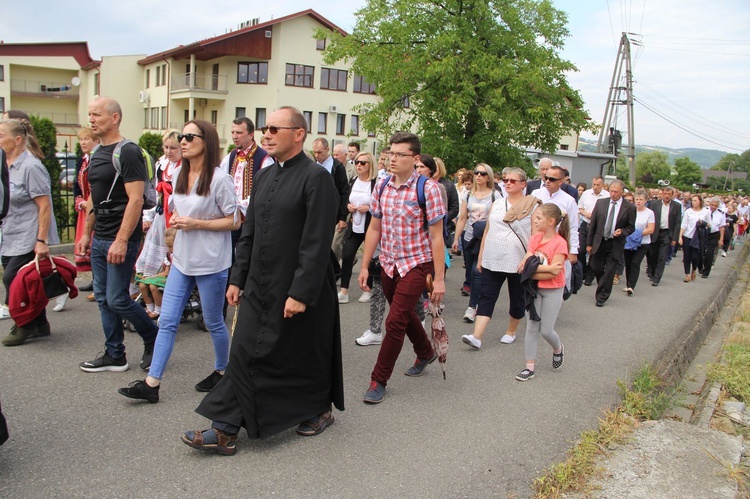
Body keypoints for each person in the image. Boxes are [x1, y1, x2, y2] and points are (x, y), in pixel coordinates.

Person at [181, 107, 343, 455]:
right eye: (264, 129)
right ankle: (224, 429)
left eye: (273, 128)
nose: (265, 134)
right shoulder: (266, 176)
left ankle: (319, 409)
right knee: (244, 351)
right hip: (259, 283)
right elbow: (249, 232)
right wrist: (237, 278)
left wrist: (300, 291)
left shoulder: (316, 178)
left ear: (297, 134)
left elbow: (316, 240)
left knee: (304, 352)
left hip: (300, 284)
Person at [118, 120, 240, 403]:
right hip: (182, 261)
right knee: (168, 320)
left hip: (211, 262)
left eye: (189, 136)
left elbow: (235, 221)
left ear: (205, 141)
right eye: (181, 136)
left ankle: (223, 371)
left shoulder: (219, 179)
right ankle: (152, 384)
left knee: (213, 322)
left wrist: (197, 223)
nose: (182, 141)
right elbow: (174, 216)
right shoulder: (180, 175)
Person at [357, 132, 446, 405]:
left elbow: (436, 237)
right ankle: (424, 351)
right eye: (390, 153)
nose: (392, 158)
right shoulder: (382, 185)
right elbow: (374, 227)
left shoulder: (428, 189)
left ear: (415, 158)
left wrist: (439, 280)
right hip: (388, 264)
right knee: (404, 314)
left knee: (394, 321)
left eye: (400, 154)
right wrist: (364, 265)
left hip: (417, 265)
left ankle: (378, 380)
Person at [76, 97, 158, 372]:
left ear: (114, 118)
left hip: (121, 237)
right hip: (100, 237)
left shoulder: (129, 152)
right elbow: (93, 200)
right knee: (102, 297)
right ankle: (115, 354)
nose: (91, 119)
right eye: (89, 114)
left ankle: (152, 336)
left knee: (117, 298)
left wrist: (122, 240)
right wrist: (87, 234)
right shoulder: (97, 152)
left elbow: (135, 200)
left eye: (97, 114)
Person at [461, 167, 538, 348]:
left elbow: (536, 234)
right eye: (506, 180)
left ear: (523, 184)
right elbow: (487, 230)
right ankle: (477, 336)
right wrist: (481, 257)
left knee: (517, 298)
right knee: (486, 296)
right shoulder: (497, 203)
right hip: (492, 258)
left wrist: (529, 255)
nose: (508, 183)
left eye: (513, 180)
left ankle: (511, 331)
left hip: (517, 260)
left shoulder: (533, 205)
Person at [0, 118, 60, 345]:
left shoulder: (31, 167)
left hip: (29, 233)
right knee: (28, 281)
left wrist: (41, 240)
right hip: (10, 232)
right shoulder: (3, 163)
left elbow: (44, 206)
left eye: (1, 136)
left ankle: (23, 324)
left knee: (13, 279)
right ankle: (41, 324)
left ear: (17, 140)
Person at [515, 203, 567, 381]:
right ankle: (529, 367)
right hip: (534, 289)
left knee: (546, 330)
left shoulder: (560, 243)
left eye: (538, 218)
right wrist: (541, 268)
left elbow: (555, 272)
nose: (534, 221)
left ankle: (558, 348)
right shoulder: (535, 239)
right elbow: (524, 265)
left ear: (551, 221)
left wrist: (532, 270)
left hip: (553, 290)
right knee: (531, 327)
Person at [134, 129, 181, 305]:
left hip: (175, 215)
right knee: (152, 249)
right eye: (166, 147)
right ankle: (149, 292)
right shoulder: (162, 164)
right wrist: (148, 215)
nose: (169, 151)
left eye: (173, 148)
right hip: (162, 214)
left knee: (170, 247)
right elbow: (154, 192)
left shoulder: (184, 167)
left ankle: (165, 290)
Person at [452, 163, 497, 322]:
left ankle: (473, 306)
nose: (479, 176)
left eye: (483, 174)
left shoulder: (494, 196)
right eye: (477, 173)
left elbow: (494, 220)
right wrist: (456, 238)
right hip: (468, 237)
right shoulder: (468, 195)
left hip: (484, 238)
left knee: (477, 272)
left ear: (488, 177)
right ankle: (477, 298)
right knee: (471, 272)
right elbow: (462, 217)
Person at [585, 180, 636, 307]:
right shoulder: (601, 203)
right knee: (595, 266)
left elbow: (631, 227)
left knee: (609, 271)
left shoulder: (629, 207)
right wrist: (589, 243)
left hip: (615, 243)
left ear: (622, 192)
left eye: (616, 192)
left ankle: (602, 296)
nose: (613, 194)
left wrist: (622, 231)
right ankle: (603, 283)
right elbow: (593, 225)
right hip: (600, 240)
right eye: (611, 191)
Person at [338, 151, 377, 304]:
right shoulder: (353, 180)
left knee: (369, 259)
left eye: (363, 163)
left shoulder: (376, 183)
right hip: (355, 224)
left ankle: (368, 289)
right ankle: (344, 291)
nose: (359, 165)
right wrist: (348, 207)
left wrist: (369, 208)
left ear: (370, 165)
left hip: (370, 225)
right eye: (357, 162)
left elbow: (381, 204)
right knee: (347, 255)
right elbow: (347, 198)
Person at [66, 127, 100, 305]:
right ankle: (95, 280)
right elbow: (76, 187)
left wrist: (91, 203)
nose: (84, 143)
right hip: (86, 208)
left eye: (87, 139)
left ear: (96, 140)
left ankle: (100, 283)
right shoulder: (82, 161)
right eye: (81, 140)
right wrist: (81, 202)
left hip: (96, 209)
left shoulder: (99, 159)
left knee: (96, 245)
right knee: (87, 245)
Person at [531, 165, 580, 269]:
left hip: (557, 245)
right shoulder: (536, 194)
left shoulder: (568, 200)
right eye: (546, 178)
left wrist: (573, 251)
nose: (547, 181)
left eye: (552, 179)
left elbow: (573, 227)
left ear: (561, 181)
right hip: (536, 242)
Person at [313, 138, 350, 262]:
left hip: (332, 212)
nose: (317, 155)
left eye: (320, 152)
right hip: (316, 211)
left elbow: (344, 192)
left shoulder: (337, 167)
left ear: (327, 149)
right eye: (315, 152)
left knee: (332, 244)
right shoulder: (312, 166)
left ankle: (333, 269)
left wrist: (343, 217)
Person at [645, 186, 682, 286]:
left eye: (669, 194)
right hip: (655, 232)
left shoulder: (676, 206)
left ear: (672, 195)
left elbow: (678, 223)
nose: (667, 196)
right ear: (662, 193)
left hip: (667, 233)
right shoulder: (654, 204)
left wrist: (675, 238)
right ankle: (652, 272)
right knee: (652, 254)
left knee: (662, 256)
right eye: (665, 193)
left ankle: (657, 278)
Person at [136, 228, 176, 320]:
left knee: (153, 287)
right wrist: (151, 277)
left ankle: (158, 310)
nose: (169, 249)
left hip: (173, 279)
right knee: (142, 284)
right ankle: (150, 308)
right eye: (168, 246)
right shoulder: (169, 255)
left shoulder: (180, 256)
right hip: (167, 276)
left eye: (171, 246)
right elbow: (166, 272)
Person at [578, 176, 610, 286]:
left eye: (598, 185)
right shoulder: (586, 193)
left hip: (598, 227)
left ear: (602, 185)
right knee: (581, 250)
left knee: (594, 251)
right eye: (594, 185)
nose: (595, 187)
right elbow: (580, 208)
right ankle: (583, 271)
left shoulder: (607, 196)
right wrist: (585, 213)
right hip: (586, 224)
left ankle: (590, 276)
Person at [622, 190, 655, 295]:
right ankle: (628, 283)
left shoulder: (649, 213)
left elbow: (651, 229)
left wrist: (637, 234)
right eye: (637, 199)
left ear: (646, 201)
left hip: (642, 242)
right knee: (628, 263)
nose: (638, 201)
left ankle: (631, 286)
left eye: (641, 199)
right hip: (628, 241)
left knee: (635, 262)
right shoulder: (630, 210)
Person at [679, 194, 711, 282]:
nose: (693, 202)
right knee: (686, 256)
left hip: (698, 237)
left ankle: (694, 268)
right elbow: (684, 224)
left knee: (695, 256)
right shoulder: (688, 211)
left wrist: (703, 223)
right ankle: (687, 274)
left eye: (695, 200)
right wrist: (680, 236)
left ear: (700, 201)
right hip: (687, 236)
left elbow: (709, 224)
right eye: (692, 200)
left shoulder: (706, 211)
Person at [701, 197, 726, 278]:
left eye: (715, 205)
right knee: (701, 252)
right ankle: (701, 266)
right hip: (704, 233)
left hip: (714, 234)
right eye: (712, 205)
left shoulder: (721, 214)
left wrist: (721, 239)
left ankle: (706, 272)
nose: (713, 207)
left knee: (710, 253)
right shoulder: (704, 210)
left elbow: (722, 227)